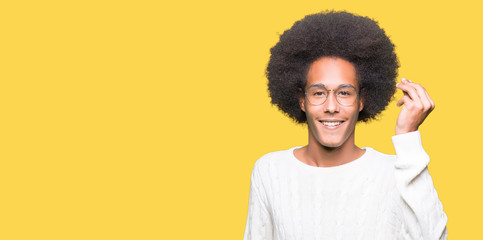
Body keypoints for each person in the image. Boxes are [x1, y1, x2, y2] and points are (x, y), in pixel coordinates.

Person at [243, 11, 448, 240]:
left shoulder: (397, 172)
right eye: (319, 92)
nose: (331, 106)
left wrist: (408, 136)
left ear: (361, 100)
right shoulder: (270, 171)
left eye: (344, 92)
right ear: (302, 100)